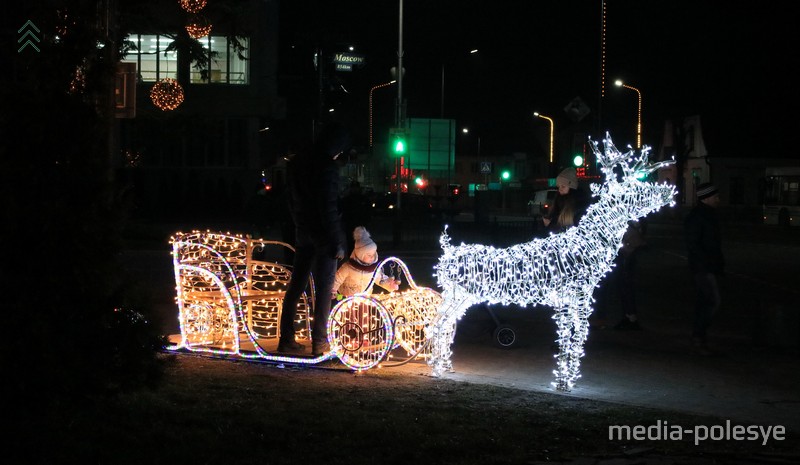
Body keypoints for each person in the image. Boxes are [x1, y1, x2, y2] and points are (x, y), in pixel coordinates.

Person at [278, 122, 351, 356]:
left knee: (296, 286)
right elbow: (328, 207)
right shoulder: (326, 166)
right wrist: (337, 241)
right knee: (324, 289)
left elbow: (290, 200)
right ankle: (320, 342)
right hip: (322, 236)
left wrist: (300, 225)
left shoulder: (297, 163)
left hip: (303, 231)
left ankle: (286, 338)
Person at [684, 182, 725, 355]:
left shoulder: (707, 215)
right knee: (712, 302)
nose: (718, 199)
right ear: (707, 198)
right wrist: (707, 263)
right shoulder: (700, 216)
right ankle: (698, 337)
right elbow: (694, 244)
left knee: (704, 302)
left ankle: (699, 338)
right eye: (715, 196)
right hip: (703, 267)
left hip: (706, 266)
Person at [593, 221, 646, 330]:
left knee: (621, 288)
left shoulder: (625, 224)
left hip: (620, 259)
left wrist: (625, 248)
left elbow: (636, 241)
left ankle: (629, 317)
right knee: (620, 288)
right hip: (617, 258)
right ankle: (628, 317)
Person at [331, 226, 399, 299]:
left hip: (365, 299)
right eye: (369, 255)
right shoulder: (348, 267)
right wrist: (333, 290)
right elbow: (337, 278)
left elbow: (380, 279)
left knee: (364, 310)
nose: (372, 257)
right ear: (361, 255)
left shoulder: (373, 269)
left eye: (373, 254)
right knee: (352, 310)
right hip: (348, 299)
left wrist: (390, 285)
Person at [542, 167, 591, 233]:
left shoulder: (579, 204)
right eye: (559, 186)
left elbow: (575, 231)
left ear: (571, 187)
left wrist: (551, 225)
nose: (560, 189)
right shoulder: (558, 202)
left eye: (563, 186)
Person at [339, 181, 372, 254]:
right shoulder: (348, 199)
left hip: (359, 225)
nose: (355, 189)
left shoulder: (362, 199)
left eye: (355, 188)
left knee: (360, 245)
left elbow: (368, 212)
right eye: (353, 188)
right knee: (352, 246)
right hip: (351, 226)